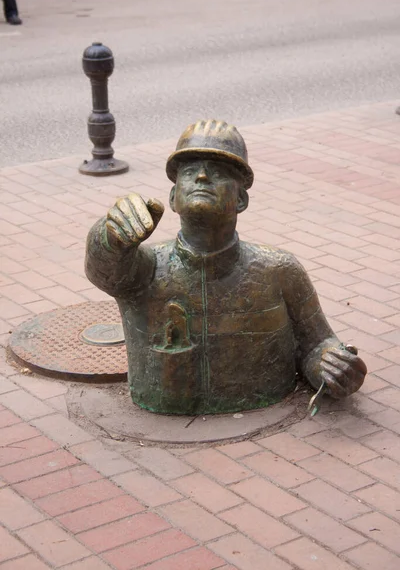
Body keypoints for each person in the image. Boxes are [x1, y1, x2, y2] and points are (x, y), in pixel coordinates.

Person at [85, 120, 367, 415]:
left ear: (241, 199)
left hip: (264, 406)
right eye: (190, 172)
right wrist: (108, 237)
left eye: (218, 173)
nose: (203, 177)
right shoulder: (147, 267)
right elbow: (103, 270)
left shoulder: (280, 270)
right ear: (172, 198)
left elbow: (317, 342)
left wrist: (335, 368)